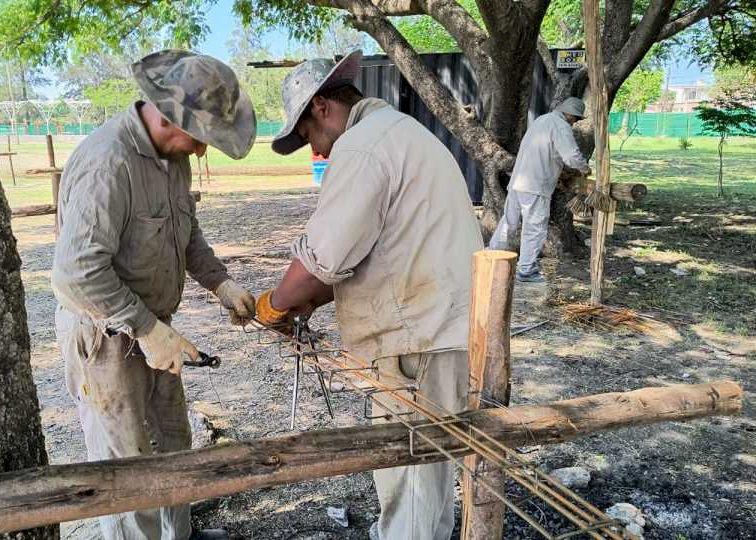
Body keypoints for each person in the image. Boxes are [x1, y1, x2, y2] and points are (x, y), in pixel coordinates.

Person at [255, 50, 484, 540]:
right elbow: (382, 250)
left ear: (321, 107)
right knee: (431, 467)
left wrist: (274, 304)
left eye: (307, 137)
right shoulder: (402, 133)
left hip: (417, 338)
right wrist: (313, 300)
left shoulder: (361, 147)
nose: (315, 150)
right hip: (440, 326)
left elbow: (323, 257)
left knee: (412, 472)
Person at [51, 50, 257, 540]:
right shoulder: (109, 164)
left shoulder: (172, 160)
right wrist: (145, 328)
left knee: (173, 442)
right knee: (128, 467)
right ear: (168, 117)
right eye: (202, 139)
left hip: (153, 328)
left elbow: (186, 234)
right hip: (105, 337)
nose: (204, 151)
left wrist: (219, 282)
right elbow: (75, 272)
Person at [488, 97, 592, 282]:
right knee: (534, 228)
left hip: (518, 181)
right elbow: (571, 156)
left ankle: (491, 255)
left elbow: (546, 152)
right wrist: (585, 168)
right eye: (575, 118)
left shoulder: (541, 121)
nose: (575, 122)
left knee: (509, 221)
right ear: (569, 114)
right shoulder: (561, 126)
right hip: (535, 185)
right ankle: (526, 270)